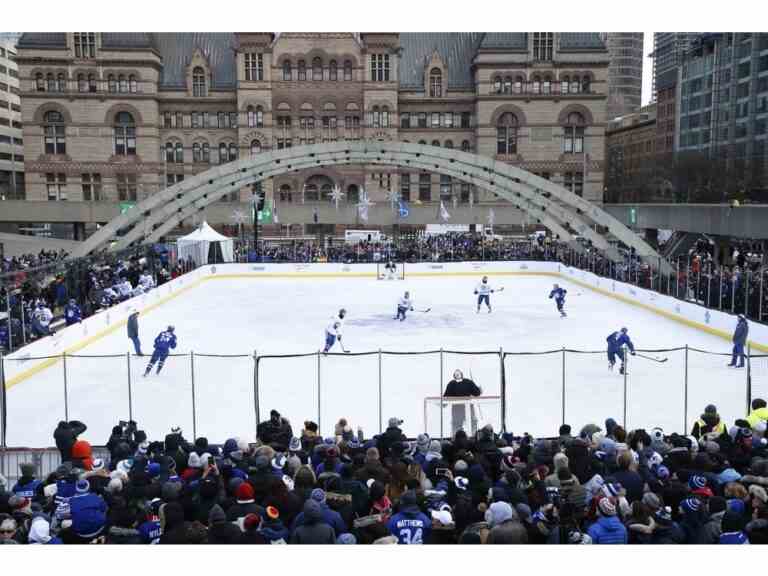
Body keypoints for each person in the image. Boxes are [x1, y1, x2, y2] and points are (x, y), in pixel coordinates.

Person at [444, 370, 482, 435]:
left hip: (468, 408)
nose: (457, 374)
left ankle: (473, 437)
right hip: (457, 410)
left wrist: (479, 390)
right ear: (454, 376)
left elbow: (476, 392)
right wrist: (442, 403)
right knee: (457, 425)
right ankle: (457, 437)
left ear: (462, 374)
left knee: (472, 423)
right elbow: (446, 397)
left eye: (458, 373)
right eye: (456, 373)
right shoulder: (451, 384)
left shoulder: (468, 382)